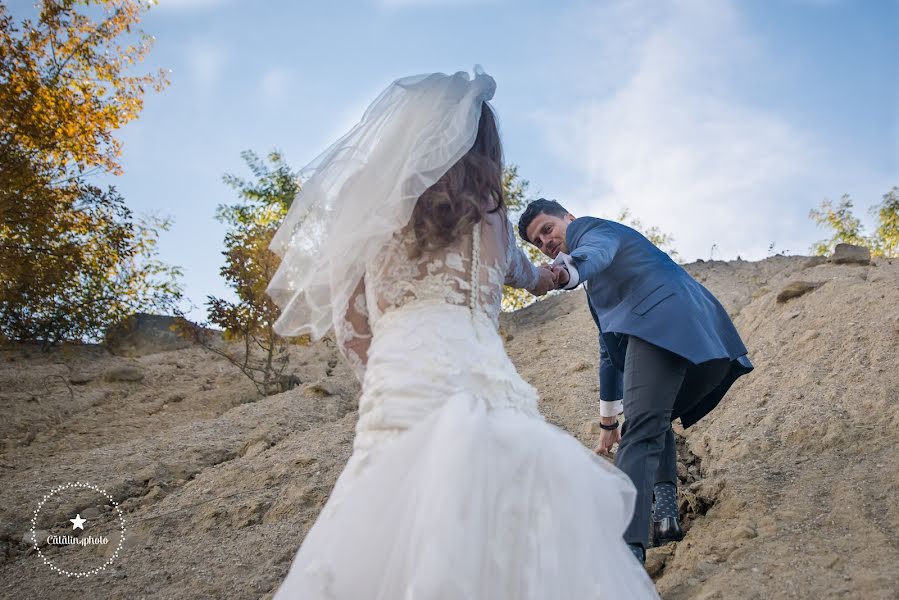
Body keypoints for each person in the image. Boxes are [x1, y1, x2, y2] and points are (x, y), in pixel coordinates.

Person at [265, 69, 660, 598]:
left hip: (401, 373)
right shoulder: (491, 215)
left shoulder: (370, 202)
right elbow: (533, 276)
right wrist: (561, 272)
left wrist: (382, 376)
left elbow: (350, 326)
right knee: (505, 515)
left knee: (384, 518)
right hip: (483, 369)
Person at [518, 199, 754, 563]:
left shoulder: (591, 230)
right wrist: (607, 422)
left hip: (661, 321)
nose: (545, 242)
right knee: (649, 421)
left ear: (569, 218)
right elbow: (608, 352)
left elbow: (594, 251)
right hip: (693, 340)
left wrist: (564, 272)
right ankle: (664, 515)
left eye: (547, 229)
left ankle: (625, 551)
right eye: (537, 242)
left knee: (642, 428)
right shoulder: (598, 291)